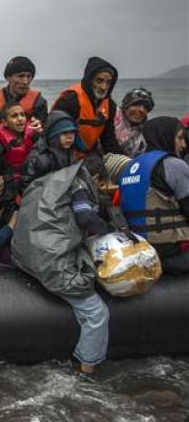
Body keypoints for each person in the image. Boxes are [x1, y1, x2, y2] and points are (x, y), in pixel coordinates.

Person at [12, 154, 112, 374]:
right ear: (94, 177)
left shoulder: (51, 180)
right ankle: (87, 368)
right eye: (101, 184)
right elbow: (85, 217)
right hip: (49, 261)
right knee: (97, 313)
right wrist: (110, 231)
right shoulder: (79, 184)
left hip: (24, 257)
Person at [117, 116, 189, 273]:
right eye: (180, 138)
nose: (184, 145)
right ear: (166, 136)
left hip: (139, 244)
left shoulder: (130, 166)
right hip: (168, 245)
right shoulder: (174, 164)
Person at [52, 56, 124, 157]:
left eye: (108, 82)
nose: (104, 87)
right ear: (90, 80)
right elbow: (53, 135)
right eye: (99, 81)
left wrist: (122, 161)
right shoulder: (69, 100)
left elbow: (109, 140)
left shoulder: (109, 105)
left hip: (90, 155)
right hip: (63, 155)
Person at [0, 100, 43, 205]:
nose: (20, 119)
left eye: (22, 115)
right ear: (4, 122)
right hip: (8, 192)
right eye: (14, 116)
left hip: (32, 188)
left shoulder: (35, 137)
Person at [20, 110, 78, 194]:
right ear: (54, 135)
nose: (70, 137)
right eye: (65, 133)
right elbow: (25, 186)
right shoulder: (36, 158)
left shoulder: (71, 153)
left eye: (72, 132)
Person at [0, 56, 48, 131]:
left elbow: (43, 131)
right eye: (21, 76)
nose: (25, 82)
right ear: (8, 78)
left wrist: (39, 127)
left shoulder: (39, 102)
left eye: (29, 76)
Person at [114, 88, 154, 157]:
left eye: (145, 107)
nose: (141, 110)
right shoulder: (111, 121)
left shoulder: (145, 137)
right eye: (137, 104)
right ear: (126, 106)